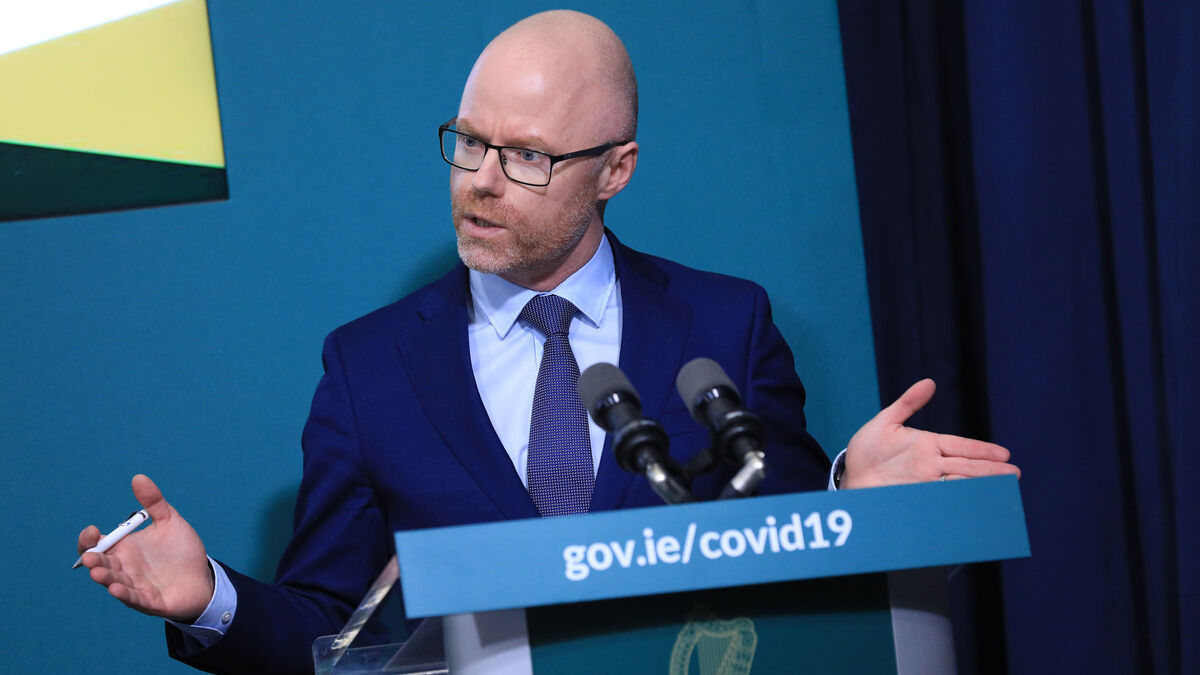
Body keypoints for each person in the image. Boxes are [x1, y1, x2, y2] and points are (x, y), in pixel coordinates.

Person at [77, 10, 1019, 674]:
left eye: (527, 155)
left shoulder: (724, 325)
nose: (480, 181)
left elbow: (783, 556)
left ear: (616, 169)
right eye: (468, 142)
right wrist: (210, 597)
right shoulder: (369, 369)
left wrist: (852, 500)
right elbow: (331, 631)